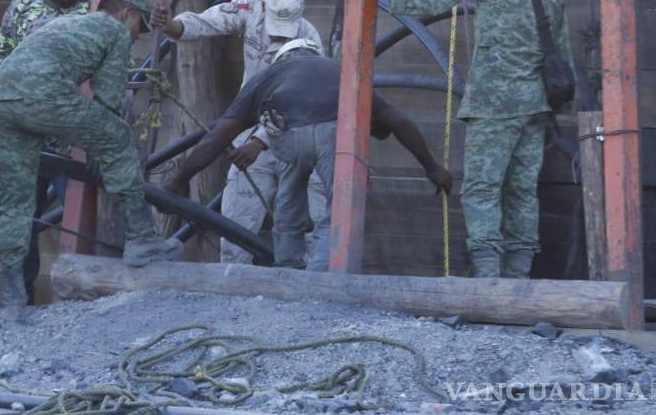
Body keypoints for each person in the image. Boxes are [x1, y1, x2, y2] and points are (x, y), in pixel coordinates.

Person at [346, 0, 574, 279]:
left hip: (493, 104)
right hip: (536, 109)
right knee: (521, 192)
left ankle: (487, 281)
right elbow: (563, 57)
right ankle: (519, 281)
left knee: (483, 190)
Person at [160, 42, 453, 269]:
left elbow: (219, 135)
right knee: (334, 207)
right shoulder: (341, 72)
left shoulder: (269, 76)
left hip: (287, 137)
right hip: (331, 134)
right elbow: (398, 121)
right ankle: (323, 273)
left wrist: (182, 177)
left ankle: (287, 264)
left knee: (291, 186)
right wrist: (431, 167)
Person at [0, 0, 181, 322]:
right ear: (127, 13)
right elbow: (109, 100)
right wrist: (108, 157)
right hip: (43, 93)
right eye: (139, 28)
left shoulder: (68, 24)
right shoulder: (114, 30)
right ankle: (140, 240)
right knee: (119, 136)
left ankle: (12, 302)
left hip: (1, 98)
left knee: (15, 201)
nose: (136, 38)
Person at [151, 0, 324, 265]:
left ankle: (308, 287)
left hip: (295, 139)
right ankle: (232, 280)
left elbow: (302, 103)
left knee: (302, 223)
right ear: (266, 7)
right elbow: (205, 23)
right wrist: (171, 27)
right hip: (250, 130)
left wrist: (260, 141)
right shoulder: (249, 8)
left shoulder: (310, 41)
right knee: (237, 219)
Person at [0, 0, 92, 304]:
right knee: (18, 216)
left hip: (73, 140)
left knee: (85, 217)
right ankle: (18, 300)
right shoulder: (20, 12)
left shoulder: (94, 12)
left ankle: (88, 301)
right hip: (25, 136)